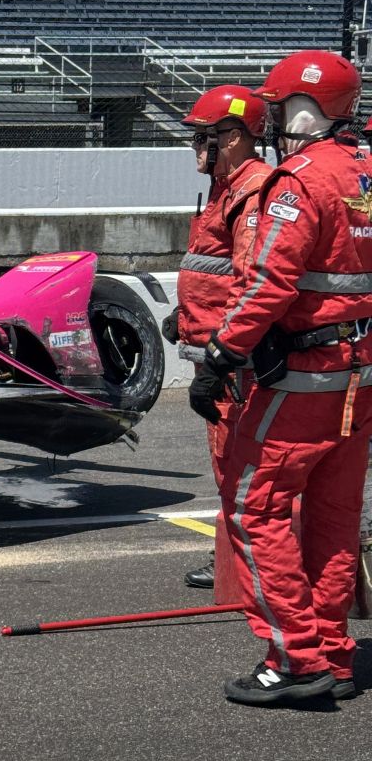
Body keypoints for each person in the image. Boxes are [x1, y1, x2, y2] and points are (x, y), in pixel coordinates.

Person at [189, 50, 371, 705]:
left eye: (283, 105)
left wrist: (219, 357)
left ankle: (295, 659)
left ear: (307, 109)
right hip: (359, 380)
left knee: (253, 508)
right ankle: (335, 656)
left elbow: (268, 282)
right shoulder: (366, 170)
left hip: (304, 379)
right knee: (333, 520)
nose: (276, 120)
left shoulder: (299, 181)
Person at [163, 86, 271, 590]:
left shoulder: (253, 193)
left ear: (230, 138)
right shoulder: (226, 190)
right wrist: (183, 315)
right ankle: (237, 560)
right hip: (219, 349)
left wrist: (221, 354)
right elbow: (215, 270)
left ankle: (245, 567)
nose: (194, 148)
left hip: (235, 361)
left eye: (200, 137)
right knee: (229, 462)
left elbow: (254, 282)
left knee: (241, 465)